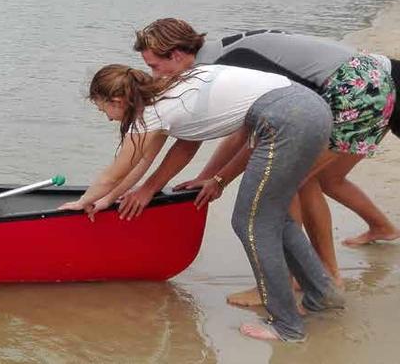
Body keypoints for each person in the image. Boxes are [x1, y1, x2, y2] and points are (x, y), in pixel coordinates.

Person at [125, 19, 397, 305]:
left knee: (289, 182)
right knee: (314, 179)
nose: (153, 74)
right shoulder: (219, 55)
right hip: (368, 78)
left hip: (353, 87)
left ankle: (310, 278)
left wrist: (213, 180)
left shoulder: (217, 70)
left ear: (177, 55)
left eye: (154, 66)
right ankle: (357, 246)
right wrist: (211, 177)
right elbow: (244, 131)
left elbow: (252, 139)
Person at [65, 64, 343, 342]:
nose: (108, 118)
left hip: (285, 121)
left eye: (104, 110)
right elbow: (153, 158)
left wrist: (83, 202)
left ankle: (287, 326)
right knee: (274, 217)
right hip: (311, 109)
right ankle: (322, 295)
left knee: (251, 223)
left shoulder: (153, 112)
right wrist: (112, 198)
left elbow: (116, 171)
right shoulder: (169, 92)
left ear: (117, 101)